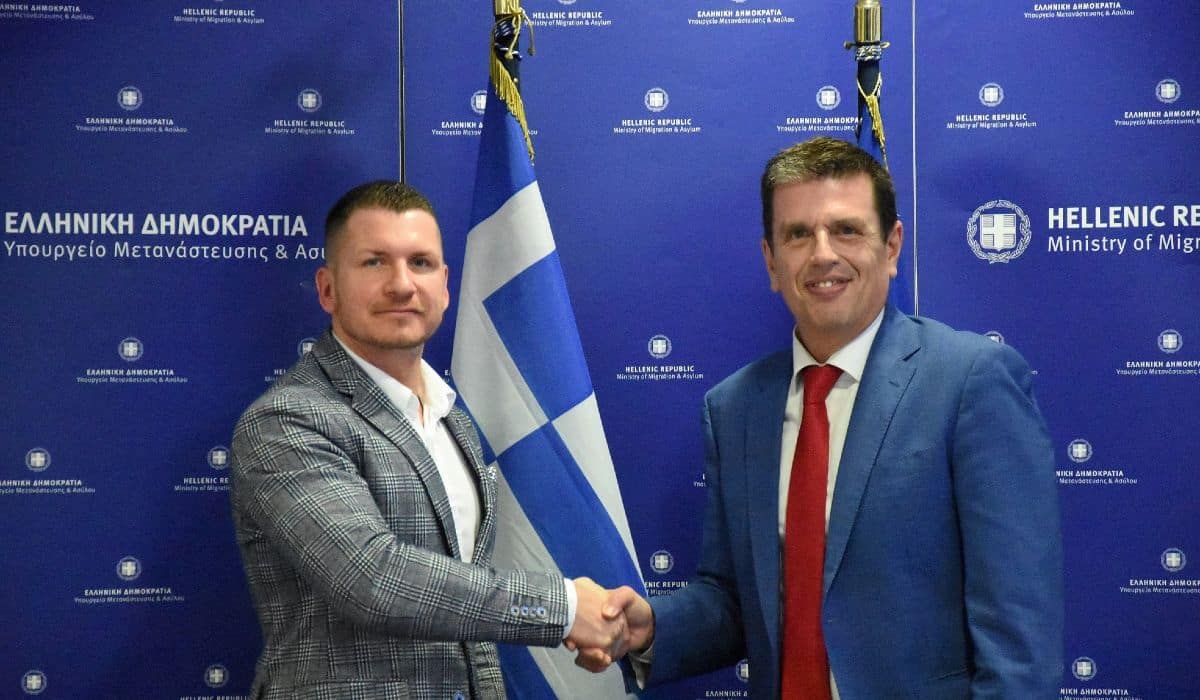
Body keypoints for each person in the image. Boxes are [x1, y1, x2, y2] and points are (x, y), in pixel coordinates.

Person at [592, 137, 1063, 698]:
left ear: (892, 247)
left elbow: (1018, 641)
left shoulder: (971, 382)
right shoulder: (734, 408)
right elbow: (737, 602)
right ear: (771, 261)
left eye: (846, 230)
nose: (822, 254)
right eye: (798, 234)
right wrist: (650, 629)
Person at [230, 181, 625, 700]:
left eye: (420, 263)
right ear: (327, 289)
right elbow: (372, 578)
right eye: (374, 262)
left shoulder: (450, 416)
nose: (401, 284)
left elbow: (465, 617)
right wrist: (566, 609)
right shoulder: (287, 420)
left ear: (444, 286)